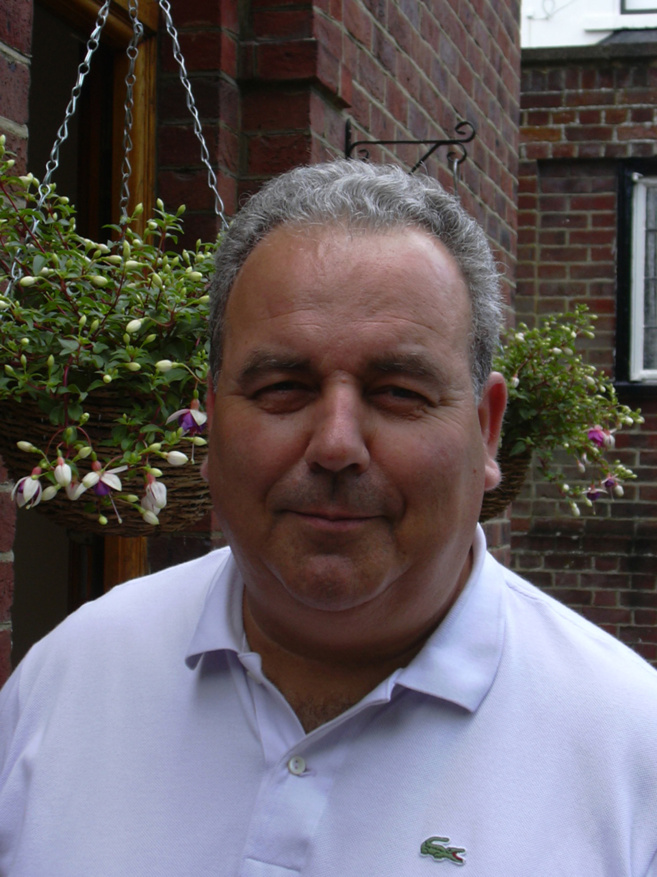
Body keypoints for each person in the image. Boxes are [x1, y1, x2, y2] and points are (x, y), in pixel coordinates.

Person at [0, 160, 655, 876]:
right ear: (211, 421)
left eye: (399, 392)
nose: (336, 445)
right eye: (283, 387)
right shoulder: (70, 678)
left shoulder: (629, 753)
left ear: (486, 429)